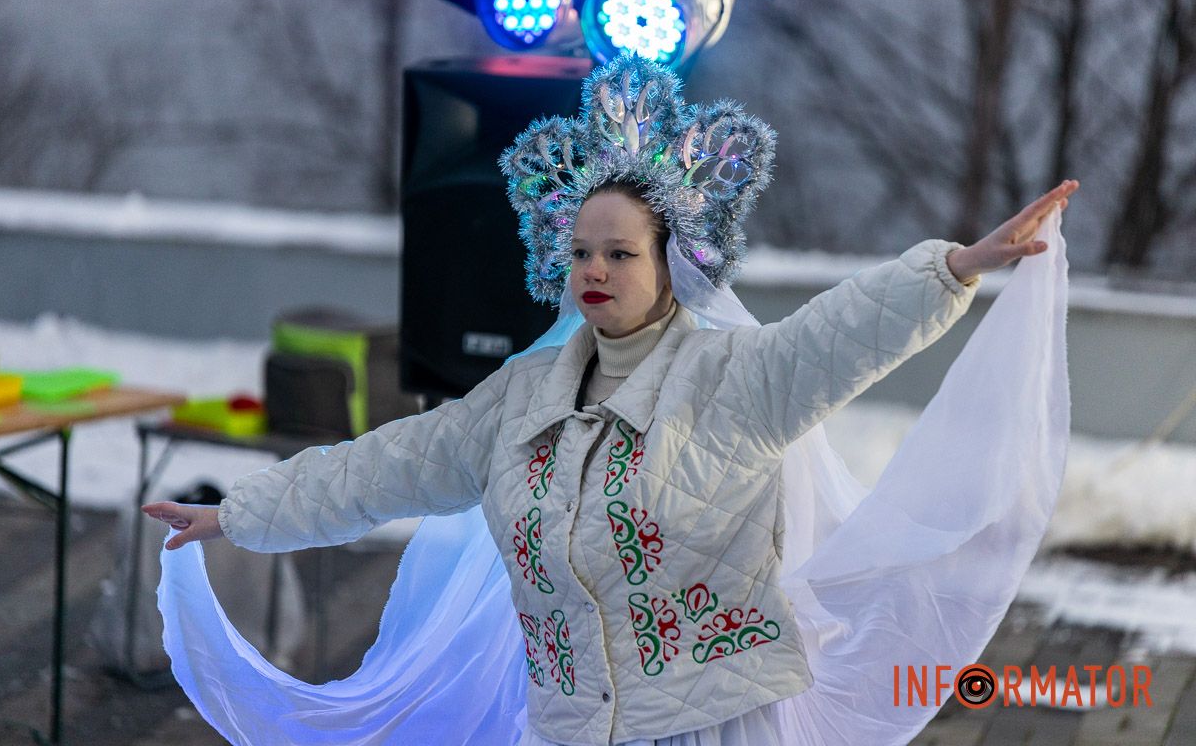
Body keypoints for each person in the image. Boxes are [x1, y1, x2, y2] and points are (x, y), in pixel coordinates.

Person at [144, 55, 1076, 746]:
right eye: (583, 251)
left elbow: (840, 334)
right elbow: (379, 468)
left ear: (673, 263)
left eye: (622, 252)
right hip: (569, 726)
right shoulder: (517, 400)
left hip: (715, 723)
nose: (596, 269)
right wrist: (239, 515)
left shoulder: (735, 380)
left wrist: (955, 268)